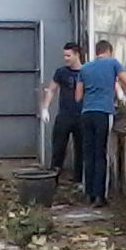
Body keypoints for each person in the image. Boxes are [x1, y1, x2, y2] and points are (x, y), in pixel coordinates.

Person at [75, 40, 126, 207]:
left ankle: (88, 194)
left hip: (86, 113)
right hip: (103, 112)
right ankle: (99, 196)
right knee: (101, 153)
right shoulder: (113, 63)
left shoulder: (84, 68)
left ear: (97, 52)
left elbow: (78, 96)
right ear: (109, 51)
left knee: (88, 154)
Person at [41, 42, 85, 183]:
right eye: (64, 55)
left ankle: (79, 179)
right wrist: (45, 108)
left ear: (77, 55)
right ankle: (53, 178)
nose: (65, 58)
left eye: (68, 55)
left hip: (82, 116)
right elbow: (51, 90)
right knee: (58, 147)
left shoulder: (86, 71)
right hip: (64, 115)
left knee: (81, 149)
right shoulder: (61, 72)